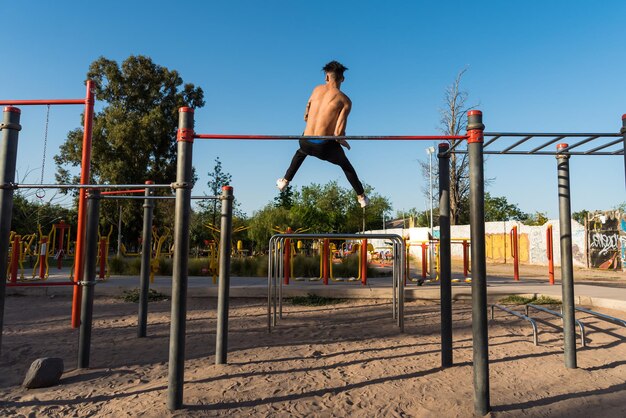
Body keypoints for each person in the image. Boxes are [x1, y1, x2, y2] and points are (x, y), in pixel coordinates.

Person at [276, 60, 369, 207]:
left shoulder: (316, 90)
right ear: (342, 79)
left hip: (305, 142)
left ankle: (285, 181)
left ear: (326, 77)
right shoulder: (345, 101)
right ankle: (361, 197)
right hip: (324, 146)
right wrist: (342, 141)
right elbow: (338, 133)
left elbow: (306, 113)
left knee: (300, 152)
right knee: (346, 166)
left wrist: (310, 117)